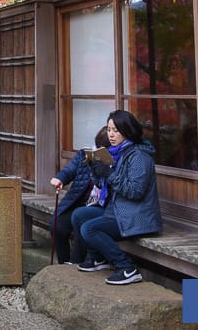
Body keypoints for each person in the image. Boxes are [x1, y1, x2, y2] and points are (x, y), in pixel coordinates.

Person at [73, 110, 162, 285]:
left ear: (128, 131)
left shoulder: (139, 156)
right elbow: (102, 184)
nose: (111, 135)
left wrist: (110, 174)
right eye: (109, 129)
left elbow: (135, 192)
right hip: (117, 210)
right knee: (79, 215)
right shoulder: (116, 152)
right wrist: (95, 169)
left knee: (90, 229)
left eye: (116, 130)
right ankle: (98, 259)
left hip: (137, 215)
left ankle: (127, 268)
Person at [48, 126, 110, 264]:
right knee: (56, 225)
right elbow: (70, 170)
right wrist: (60, 178)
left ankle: (76, 263)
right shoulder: (85, 154)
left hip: (99, 205)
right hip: (77, 200)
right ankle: (64, 262)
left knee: (82, 225)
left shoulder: (115, 160)